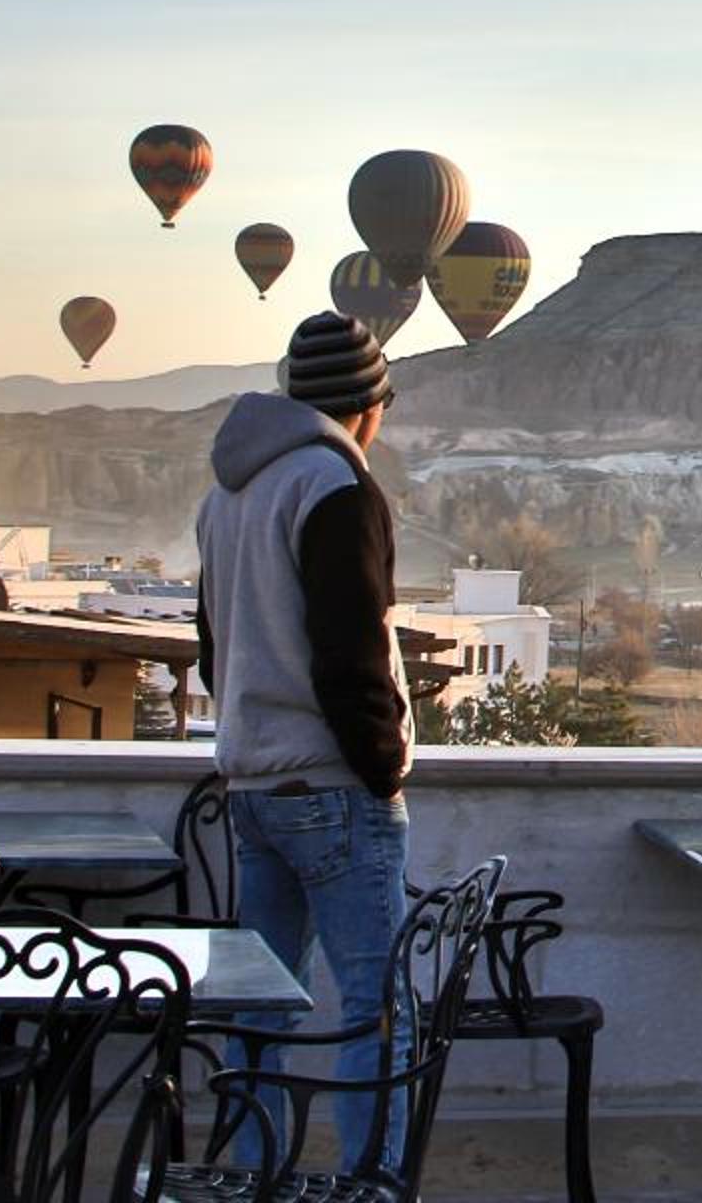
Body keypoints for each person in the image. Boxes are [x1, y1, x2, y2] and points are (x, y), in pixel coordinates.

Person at [196, 312, 414, 1171]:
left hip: (250, 786)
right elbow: (352, 645)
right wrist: (383, 767)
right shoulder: (334, 483)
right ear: (367, 406)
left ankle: (254, 1178)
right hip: (332, 789)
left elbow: (215, 647)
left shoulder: (228, 493)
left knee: (258, 1009)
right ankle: (371, 1185)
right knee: (376, 1008)